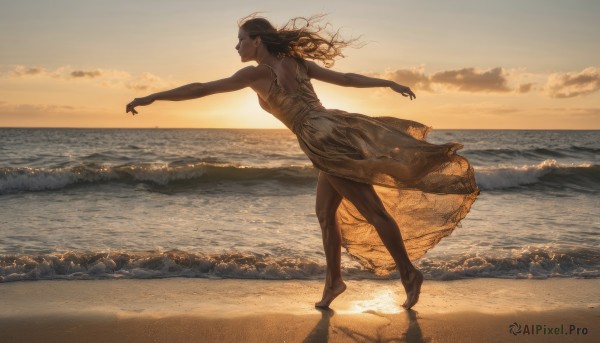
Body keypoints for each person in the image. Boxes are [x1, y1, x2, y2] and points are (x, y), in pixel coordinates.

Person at [126, 15, 479, 310]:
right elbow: (346, 79)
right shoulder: (295, 63)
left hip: (321, 138)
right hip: (333, 126)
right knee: (326, 215)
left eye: (240, 39)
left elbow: (203, 88)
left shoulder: (256, 74)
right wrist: (385, 82)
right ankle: (334, 283)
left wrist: (154, 95)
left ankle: (408, 273)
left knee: (372, 210)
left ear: (258, 40)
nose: (237, 46)